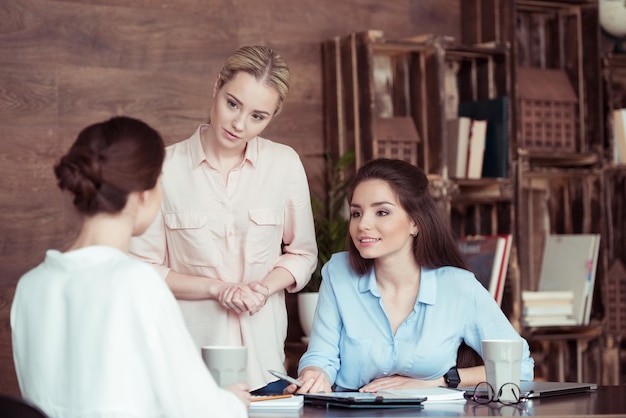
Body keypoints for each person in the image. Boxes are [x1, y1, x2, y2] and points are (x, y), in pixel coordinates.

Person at [11, 116, 249, 418]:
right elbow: (199, 411)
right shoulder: (136, 283)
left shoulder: (31, 286)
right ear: (143, 195)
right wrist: (231, 402)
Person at [129, 45, 318, 393]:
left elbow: (304, 253)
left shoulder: (285, 165)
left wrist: (265, 288)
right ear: (217, 86)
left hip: (264, 368)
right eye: (233, 103)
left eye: (258, 116)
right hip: (187, 366)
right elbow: (142, 268)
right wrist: (217, 289)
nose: (239, 124)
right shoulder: (163, 169)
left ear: (273, 116)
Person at [286, 158, 534, 394]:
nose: (362, 225)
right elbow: (322, 355)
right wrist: (314, 374)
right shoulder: (338, 272)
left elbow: (518, 367)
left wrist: (439, 382)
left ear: (415, 223)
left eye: (382, 212)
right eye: (356, 213)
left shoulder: (458, 286)